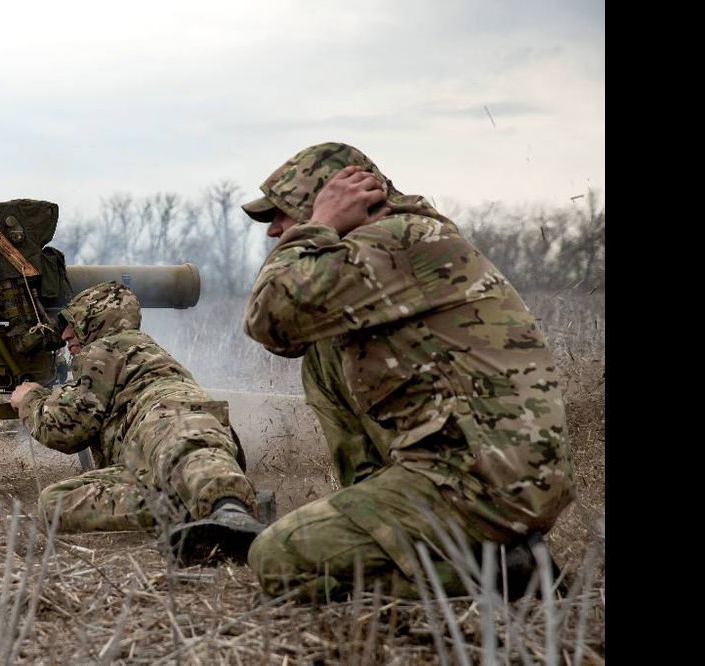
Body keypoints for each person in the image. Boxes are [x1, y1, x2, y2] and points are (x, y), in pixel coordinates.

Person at [239, 142, 575, 600]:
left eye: (283, 213)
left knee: (278, 559)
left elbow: (269, 313)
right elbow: (286, 339)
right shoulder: (382, 248)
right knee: (323, 350)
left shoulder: (397, 240)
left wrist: (319, 224)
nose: (273, 230)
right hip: (474, 468)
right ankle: (387, 512)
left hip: (482, 484)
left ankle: (506, 575)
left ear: (337, 200)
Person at [10, 281, 267, 563]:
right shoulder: (137, 352)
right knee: (55, 503)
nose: (65, 334)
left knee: (189, 453)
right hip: (153, 444)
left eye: (72, 323)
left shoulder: (108, 347)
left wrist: (29, 399)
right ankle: (206, 509)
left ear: (95, 321)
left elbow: (65, 429)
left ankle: (230, 511)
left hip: (166, 418)